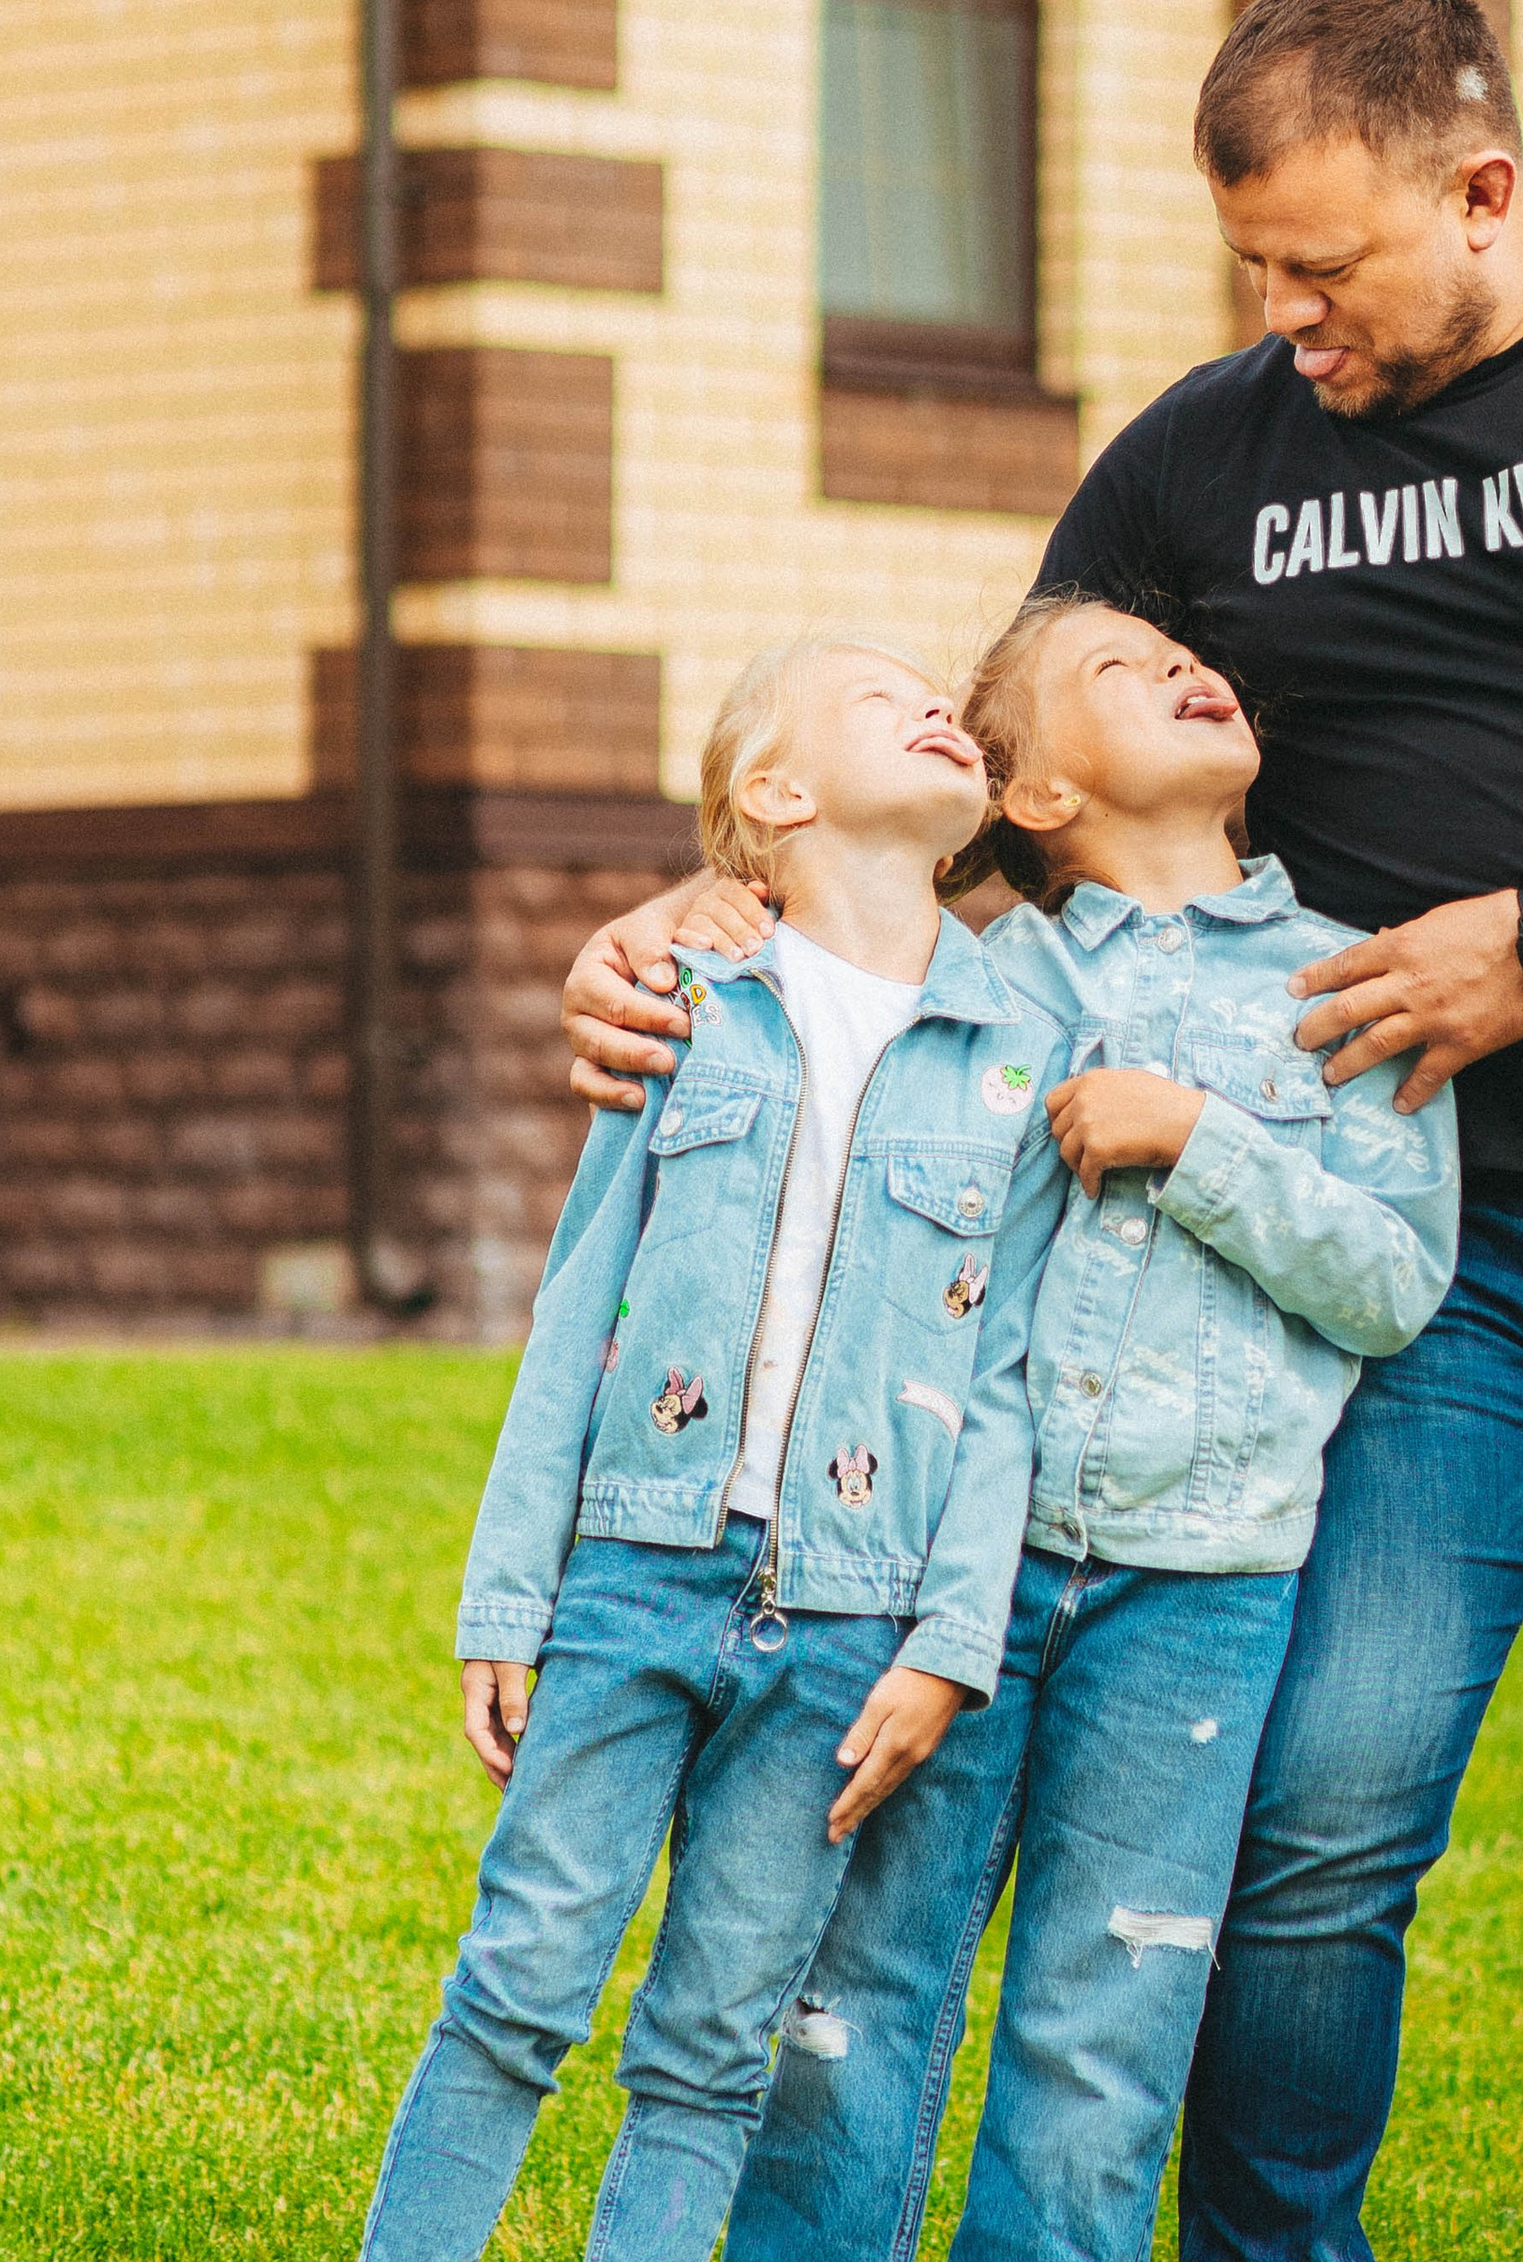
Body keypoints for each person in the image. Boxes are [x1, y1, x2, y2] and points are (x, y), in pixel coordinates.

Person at [561, 0, 1523, 2260]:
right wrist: (696, 908)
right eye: (1251, 268)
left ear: (1485, 188)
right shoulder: (1209, 455)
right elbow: (996, 758)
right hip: (1417, 1263)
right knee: (1313, 1831)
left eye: (1322, 269)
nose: (1282, 316)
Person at [714, 593, 1460, 2261]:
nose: (1191, 669)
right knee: (856, 1992)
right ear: (1031, 796)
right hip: (948, 1579)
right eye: (1121, 670)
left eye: (1191, 658)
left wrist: (1202, 1139)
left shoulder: (1358, 984)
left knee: (1105, 2025)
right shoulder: (978, 983)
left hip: (1203, 1593)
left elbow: (1399, 1276)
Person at [359, 639, 1074, 2262]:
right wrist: (504, 1594)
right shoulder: (688, 1002)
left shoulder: (1018, 1054)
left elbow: (1011, 1379)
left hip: (849, 1627)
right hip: (631, 1581)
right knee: (514, 1994)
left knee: (708, 2054)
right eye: (881, 692)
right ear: (778, 791)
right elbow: (574, 1308)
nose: (935, 703)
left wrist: (954, 1641)